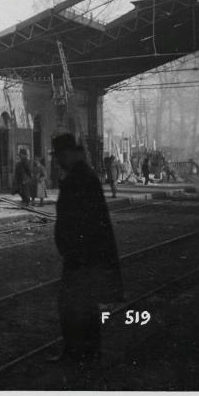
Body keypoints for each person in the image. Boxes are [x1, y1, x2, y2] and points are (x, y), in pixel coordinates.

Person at [49, 133, 123, 365]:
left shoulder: (79, 179)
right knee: (80, 305)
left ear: (70, 154)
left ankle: (80, 353)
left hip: (82, 255)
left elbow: (87, 221)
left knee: (74, 305)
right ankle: (83, 352)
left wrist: (73, 248)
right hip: (83, 254)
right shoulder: (81, 176)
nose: (58, 161)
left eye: (61, 156)